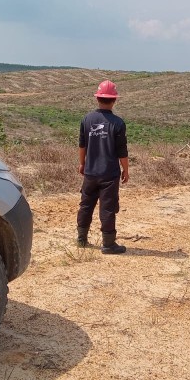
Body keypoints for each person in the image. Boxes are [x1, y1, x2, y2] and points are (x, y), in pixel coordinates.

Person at [76, 80, 129, 254]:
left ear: (97, 98)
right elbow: (122, 152)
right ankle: (108, 244)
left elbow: (82, 145)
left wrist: (82, 164)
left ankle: (81, 239)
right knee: (107, 208)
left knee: (85, 205)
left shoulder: (87, 119)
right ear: (114, 100)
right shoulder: (118, 123)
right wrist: (125, 171)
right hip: (109, 174)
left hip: (90, 173)